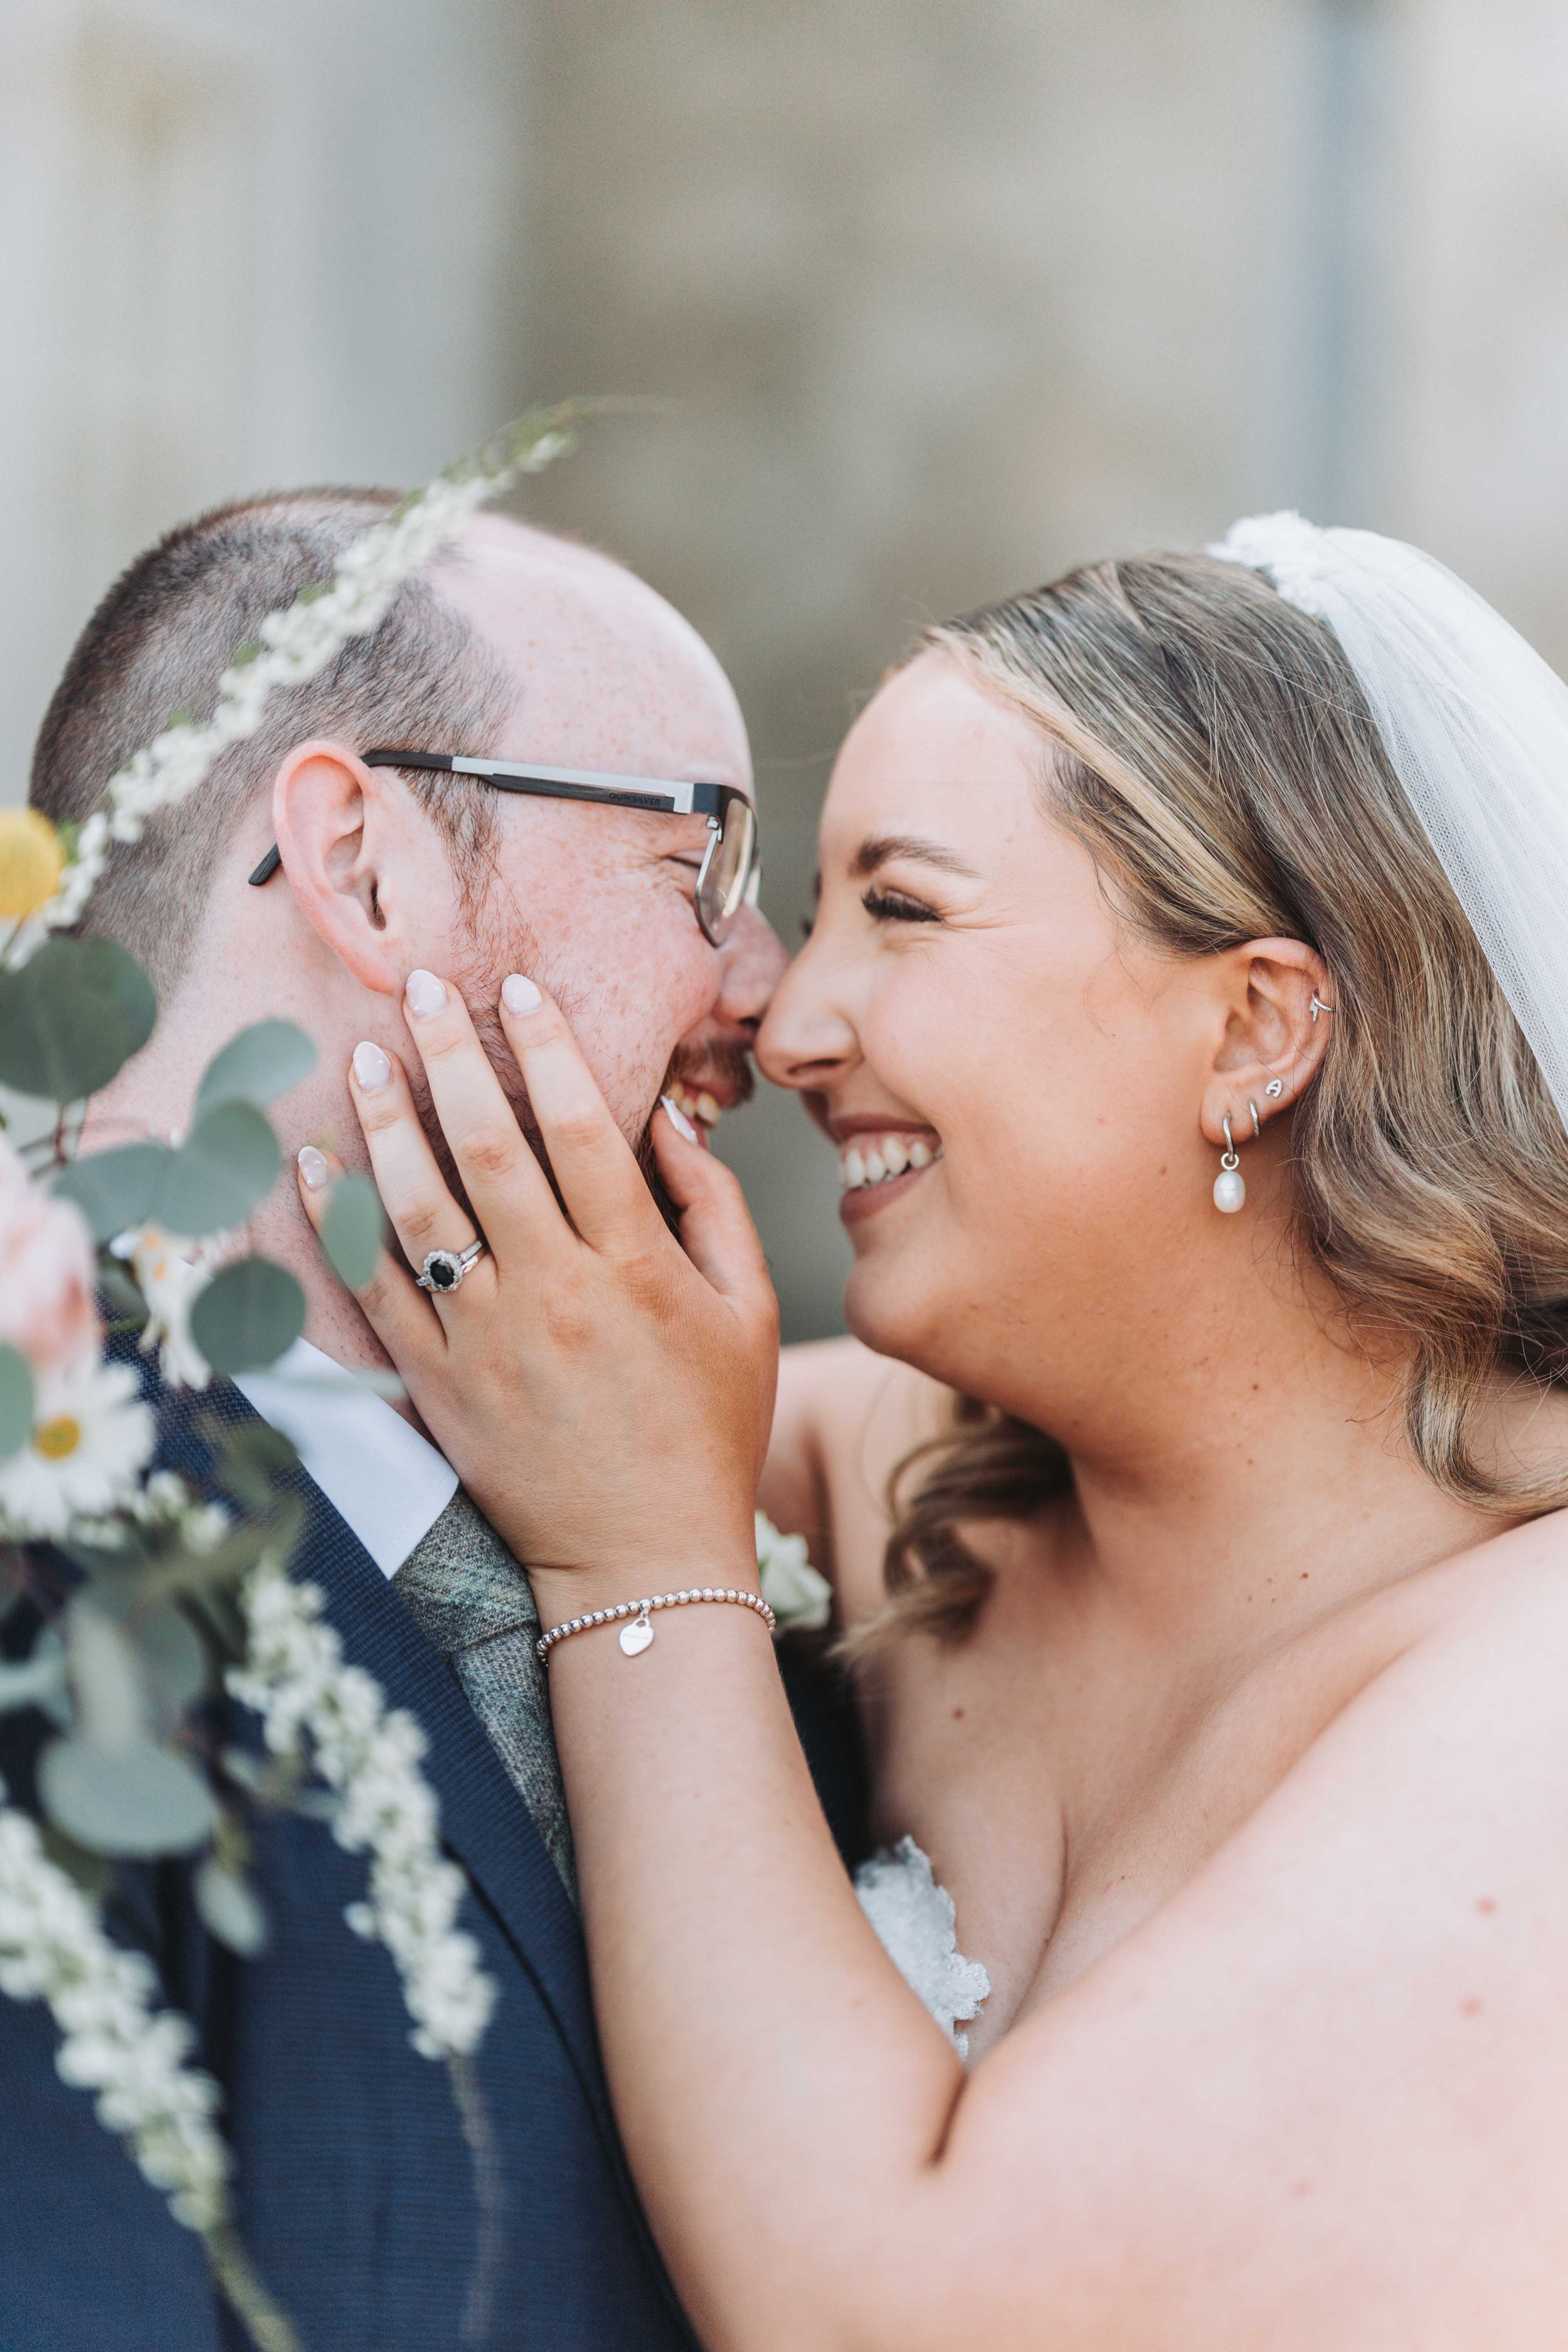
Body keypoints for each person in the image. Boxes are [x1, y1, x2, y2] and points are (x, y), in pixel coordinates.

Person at [315, 517, 1568, 2348]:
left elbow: (892, 2319)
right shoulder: (912, 1473)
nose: (789, 1024)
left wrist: (644, 1568)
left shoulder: (1532, 1693)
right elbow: (383, 1416)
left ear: (1253, 1031)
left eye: (898, 908)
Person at [3, 489, 787, 2349]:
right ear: (360, 870)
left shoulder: (716, 1563)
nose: (769, 991)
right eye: (701, 862)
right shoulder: (43, 1545)